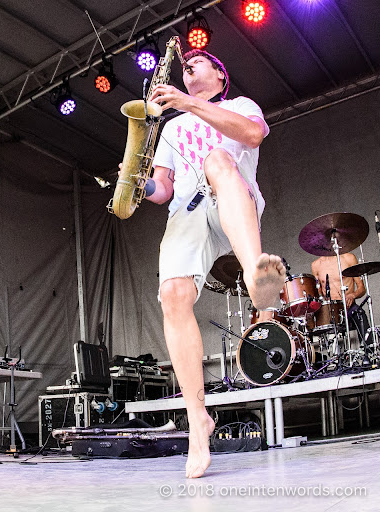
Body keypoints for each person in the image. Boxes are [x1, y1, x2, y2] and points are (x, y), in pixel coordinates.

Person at [143, 50, 285, 478]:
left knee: (216, 159)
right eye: (183, 67)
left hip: (231, 198)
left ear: (220, 75)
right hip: (187, 208)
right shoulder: (170, 128)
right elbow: (163, 189)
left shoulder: (239, 105)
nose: (186, 67)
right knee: (173, 295)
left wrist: (188, 104)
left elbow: (253, 135)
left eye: (197, 62)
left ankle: (255, 271)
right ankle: (198, 421)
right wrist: (137, 182)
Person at [311, 253, 369, 349]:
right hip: (329, 310)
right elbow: (318, 292)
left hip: (348, 306)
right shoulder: (316, 265)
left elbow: (362, 288)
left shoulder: (348, 258)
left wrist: (353, 295)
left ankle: (369, 354)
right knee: (306, 325)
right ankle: (311, 359)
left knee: (360, 315)